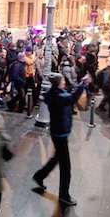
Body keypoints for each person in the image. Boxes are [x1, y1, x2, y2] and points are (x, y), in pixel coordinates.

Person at [32, 73, 84, 206]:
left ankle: (39, 176)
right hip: (60, 132)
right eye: (63, 80)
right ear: (58, 83)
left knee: (57, 157)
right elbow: (72, 98)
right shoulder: (59, 96)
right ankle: (64, 195)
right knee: (65, 166)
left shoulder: (53, 93)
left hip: (57, 130)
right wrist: (82, 85)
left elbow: (68, 96)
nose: (64, 81)